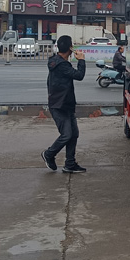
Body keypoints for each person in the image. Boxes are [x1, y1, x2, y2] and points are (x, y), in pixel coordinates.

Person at [42, 35, 87, 174]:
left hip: (65, 104)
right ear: (70, 48)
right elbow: (79, 75)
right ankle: (49, 154)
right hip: (59, 105)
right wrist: (81, 60)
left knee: (74, 134)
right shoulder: (62, 65)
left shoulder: (56, 61)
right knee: (67, 135)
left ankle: (70, 164)